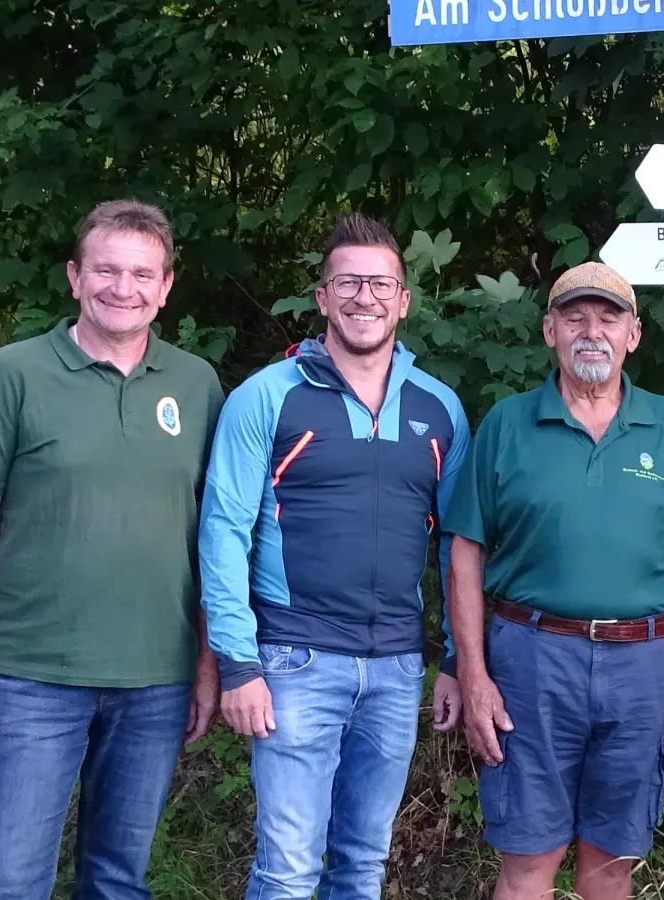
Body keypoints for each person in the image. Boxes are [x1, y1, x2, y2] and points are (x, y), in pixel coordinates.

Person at [0, 199, 223, 900]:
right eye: (105, 269)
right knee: (9, 881)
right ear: (74, 276)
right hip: (28, 678)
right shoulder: (11, 376)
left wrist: (206, 662)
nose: (121, 288)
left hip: (154, 681)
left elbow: (213, 535)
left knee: (117, 881)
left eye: (141, 273)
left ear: (165, 288)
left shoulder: (197, 386)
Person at [197, 212, 469, 900]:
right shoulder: (266, 397)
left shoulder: (440, 409)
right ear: (322, 297)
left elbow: (458, 549)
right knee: (288, 869)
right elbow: (224, 530)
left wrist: (458, 661)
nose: (364, 298)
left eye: (381, 284)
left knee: (362, 866)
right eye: (347, 282)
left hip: (398, 666)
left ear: (405, 300)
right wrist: (238, 664)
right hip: (295, 660)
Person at [443, 261, 664, 900]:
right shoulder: (508, 424)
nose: (590, 332)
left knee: (611, 866)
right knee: (527, 865)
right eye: (575, 318)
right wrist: (473, 672)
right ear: (549, 331)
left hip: (643, 664)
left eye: (608, 317)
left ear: (634, 335)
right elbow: (465, 553)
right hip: (532, 660)